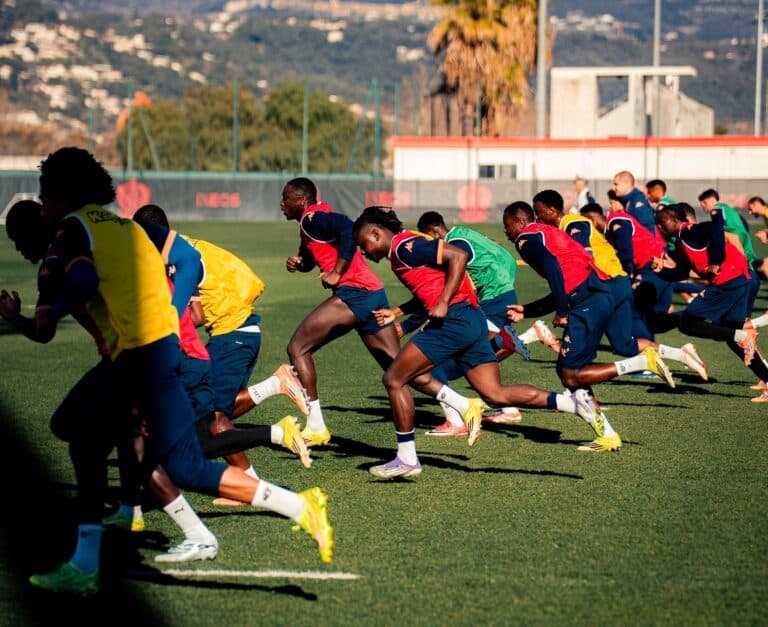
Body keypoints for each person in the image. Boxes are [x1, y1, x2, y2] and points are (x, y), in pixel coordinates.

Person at [16, 147, 334, 593]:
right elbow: (183, 256)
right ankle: (298, 506)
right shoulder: (126, 226)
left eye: (46, 194)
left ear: (65, 192)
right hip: (165, 350)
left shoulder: (73, 229)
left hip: (139, 355)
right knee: (181, 462)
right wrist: (170, 308)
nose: (44, 204)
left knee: (78, 431)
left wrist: (46, 312)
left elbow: (84, 282)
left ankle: (87, 561)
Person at [353, 206, 615, 477]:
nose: (363, 252)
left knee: (394, 379)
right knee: (495, 393)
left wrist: (443, 303)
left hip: (454, 322)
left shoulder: (404, 247)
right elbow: (431, 286)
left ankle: (408, 458)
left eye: (363, 244)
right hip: (471, 319)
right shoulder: (404, 248)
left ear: (375, 233)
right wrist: (402, 312)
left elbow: (459, 255)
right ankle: (574, 405)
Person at [280, 177, 480, 446]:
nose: (282, 204)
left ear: (301, 200)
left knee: (298, 348)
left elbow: (348, 227)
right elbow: (315, 256)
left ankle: (316, 426)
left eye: (286, 198)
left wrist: (338, 271)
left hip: (355, 294)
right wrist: (300, 263)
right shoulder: (312, 222)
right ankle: (463, 405)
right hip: (372, 295)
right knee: (398, 368)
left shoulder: (311, 218)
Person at [132, 204, 311, 483]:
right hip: (234, 331)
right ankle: (276, 389)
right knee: (215, 413)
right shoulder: (184, 245)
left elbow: (196, 315)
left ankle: (254, 478)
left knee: (214, 417)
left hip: (233, 333)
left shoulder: (175, 259)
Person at [532, 189, 707, 381]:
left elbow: (585, 254)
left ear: (550, 210)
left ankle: (575, 392)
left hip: (609, 284)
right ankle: (682, 354)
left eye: (538, 211)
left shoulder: (573, 222)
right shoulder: (568, 228)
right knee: (624, 345)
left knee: (579, 338)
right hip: (618, 283)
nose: (536, 217)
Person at [415, 211, 560, 432]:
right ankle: (508, 408)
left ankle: (456, 420)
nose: (430, 245)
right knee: (478, 354)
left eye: (428, 239)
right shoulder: (462, 232)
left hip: (495, 298)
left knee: (460, 359)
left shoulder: (454, 246)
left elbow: (447, 283)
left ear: (435, 232)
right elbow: (496, 249)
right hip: (500, 291)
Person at [654, 204, 768, 400]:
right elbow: (681, 272)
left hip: (729, 283)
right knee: (731, 336)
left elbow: (716, 227)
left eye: (662, 223)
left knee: (687, 323)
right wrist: (662, 270)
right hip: (738, 282)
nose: (660, 228)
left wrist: (716, 260)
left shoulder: (691, 230)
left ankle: (742, 335)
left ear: (676, 221)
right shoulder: (682, 243)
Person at [612, 170, 657, 237]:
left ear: (626, 184)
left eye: (616, 184)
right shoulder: (628, 200)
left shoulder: (637, 202)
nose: (614, 188)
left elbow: (649, 229)